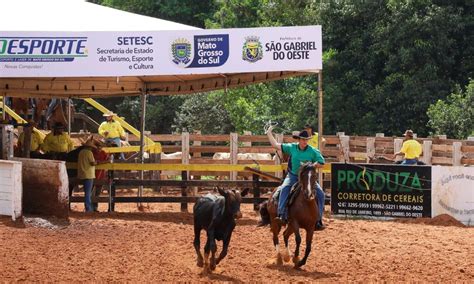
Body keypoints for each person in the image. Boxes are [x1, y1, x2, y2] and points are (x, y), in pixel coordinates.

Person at [267, 125, 326, 230]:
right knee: (285, 188)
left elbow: (322, 162)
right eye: (303, 140)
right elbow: (275, 145)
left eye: (306, 140)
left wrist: (314, 165)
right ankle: (281, 215)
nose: (304, 142)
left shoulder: (313, 151)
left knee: (321, 194)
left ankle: (318, 219)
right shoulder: (292, 147)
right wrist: (269, 133)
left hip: (307, 178)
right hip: (293, 176)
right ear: (299, 140)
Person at [91, 139, 110, 212]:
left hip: (101, 174)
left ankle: (95, 207)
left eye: (100, 146)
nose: (99, 148)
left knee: (97, 192)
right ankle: (89, 206)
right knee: (90, 191)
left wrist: (99, 163)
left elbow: (108, 161)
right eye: (98, 146)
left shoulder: (103, 153)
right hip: (91, 174)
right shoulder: (91, 153)